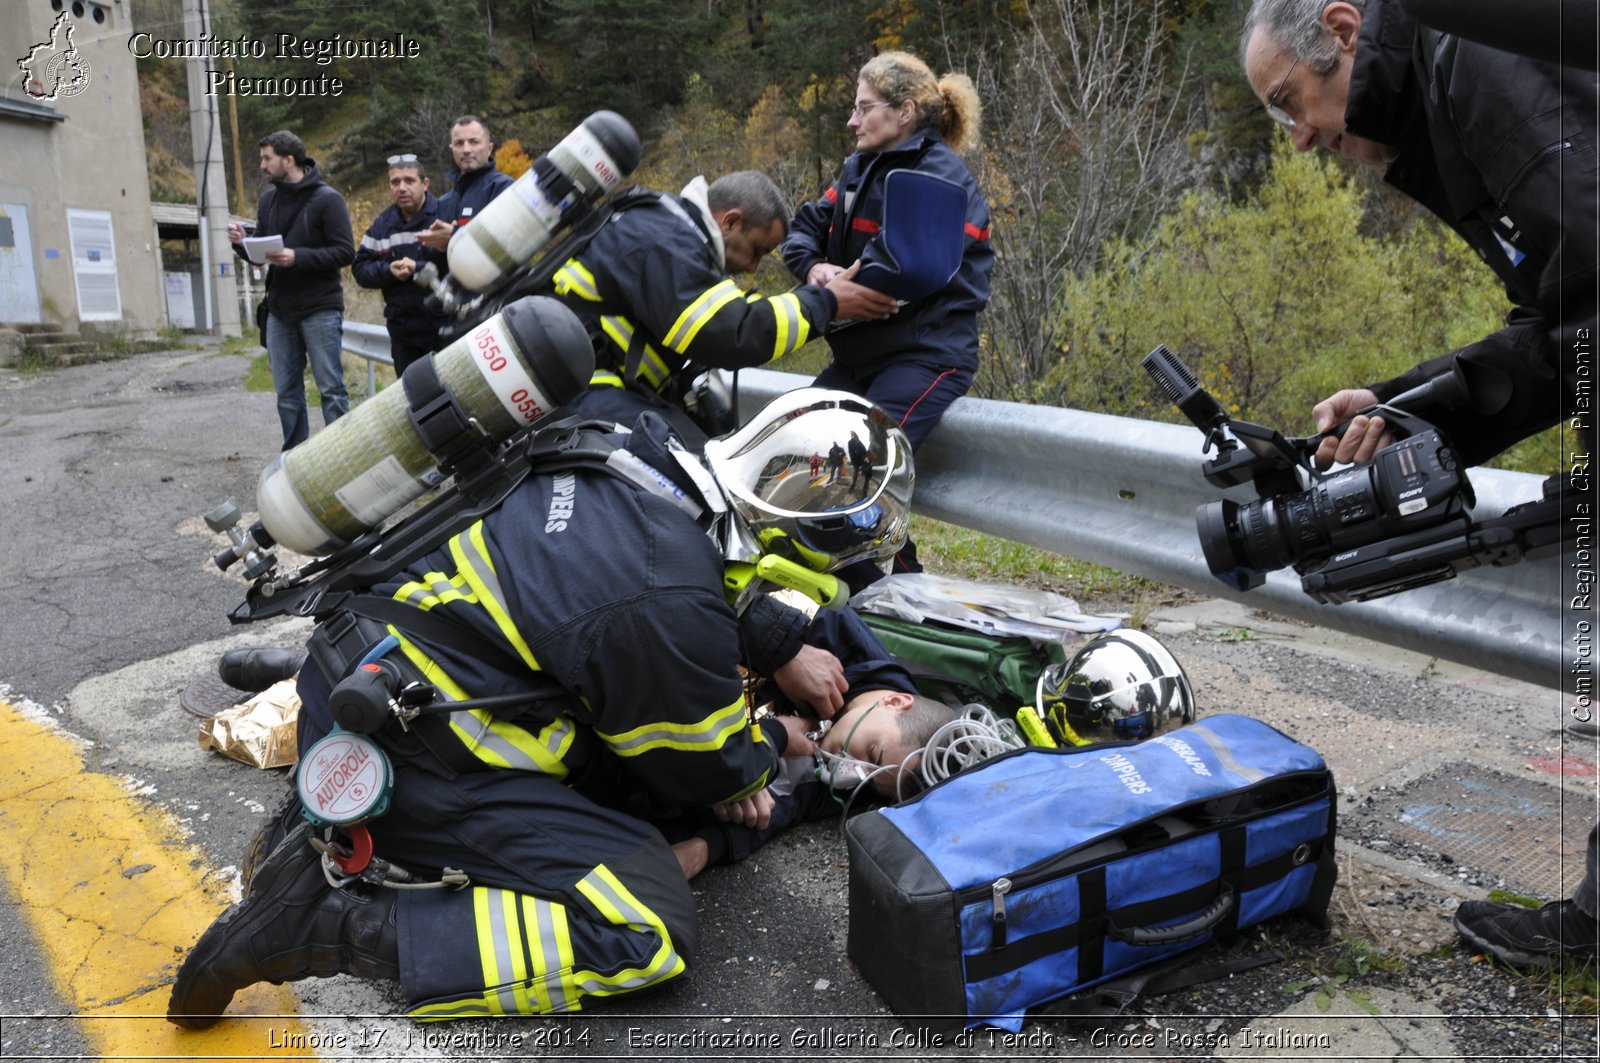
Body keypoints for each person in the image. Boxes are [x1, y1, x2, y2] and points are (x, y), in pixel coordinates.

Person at [166, 388, 914, 1026]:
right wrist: (766, 745)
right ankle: (332, 924)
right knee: (644, 922)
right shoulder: (669, 606)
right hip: (417, 750)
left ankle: (342, 836)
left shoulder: (630, 437)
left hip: (364, 659)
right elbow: (704, 770)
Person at [1240, 0, 1598, 970]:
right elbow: (1560, 324)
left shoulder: (1470, 57)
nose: (1300, 136)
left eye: (1291, 101)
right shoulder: (1440, 92)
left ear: (1342, 30)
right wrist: (1407, 405)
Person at [781, 51, 994, 582]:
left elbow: (912, 261)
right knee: (796, 461)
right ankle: (886, 592)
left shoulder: (943, 177)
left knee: (850, 476)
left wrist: (844, 283)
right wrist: (817, 273)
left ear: (903, 112)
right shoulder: (858, 169)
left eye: (863, 109)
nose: (852, 121)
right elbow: (803, 227)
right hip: (859, 356)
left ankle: (903, 592)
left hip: (925, 356)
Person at [544, 170, 898, 445]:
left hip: (589, 385)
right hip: (582, 390)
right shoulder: (665, 240)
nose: (753, 267)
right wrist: (827, 303)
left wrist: (809, 297)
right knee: (694, 476)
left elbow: (723, 315)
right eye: (757, 250)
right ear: (730, 221)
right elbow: (729, 332)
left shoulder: (669, 230)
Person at [668, 607, 958, 878]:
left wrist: (704, 849)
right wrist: (782, 650)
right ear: (895, 701)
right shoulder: (831, 626)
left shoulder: (852, 777)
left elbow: (785, 808)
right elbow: (699, 595)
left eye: (868, 780)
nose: (850, 770)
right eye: (873, 753)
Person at [229, 130, 355, 451]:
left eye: (266, 158)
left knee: (330, 389)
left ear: (289, 160)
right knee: (286, 393)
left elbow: (344, 252)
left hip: (320, 308)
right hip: (280, 311)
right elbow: (263, 253)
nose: (261, 165)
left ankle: (344, 456)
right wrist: (242, 244)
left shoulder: (328, 199)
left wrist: (297, 257)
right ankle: (296, 459)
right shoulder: (268, 200)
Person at [351, 154, 451, 378]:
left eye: (409, 180)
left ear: (425, 184)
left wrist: (419, 266)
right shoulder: (382, 224)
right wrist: (388, 271)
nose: (402, 188)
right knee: (413, 400)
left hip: (445, 327)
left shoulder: (445, 215)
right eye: (395, 182)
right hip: (403, 333)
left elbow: (462, 261)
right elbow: (360, 269)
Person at [416, 115, 516, 260]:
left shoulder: (505, 189)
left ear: (489, 149)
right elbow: (430, 257)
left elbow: (513, 244)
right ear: (452, 149)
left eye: (474, 142)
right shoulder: (444, 202)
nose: (466, 149)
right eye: (459, 143)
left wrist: (455, 235)